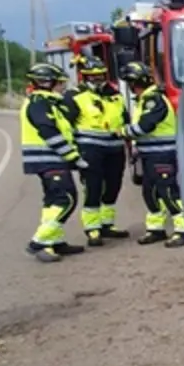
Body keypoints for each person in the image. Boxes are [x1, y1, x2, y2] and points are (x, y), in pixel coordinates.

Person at [20, 62, 88, 262]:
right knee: (66, 199)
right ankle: (39, 242)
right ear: (47, 83)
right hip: (49, 160)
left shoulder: (49, 102)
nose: (62, 87)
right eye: (60, 84)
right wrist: (73, 157)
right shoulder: (40, 103)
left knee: (52, 202)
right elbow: (48, 131)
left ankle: (54, 242)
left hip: (51, 160)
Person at [122, 62, 184, 247]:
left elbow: (145, 126)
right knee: (150, 193)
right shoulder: (144, 99)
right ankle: (155, 229)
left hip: (163, 154)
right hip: (149, 155)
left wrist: (123, 131)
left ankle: (183, 230)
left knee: (168, 192)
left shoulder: (154, 100)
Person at [66, 57, 130, 245]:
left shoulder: (115, 96)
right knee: (93, 188)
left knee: (113, 187)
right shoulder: (74, 96)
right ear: (84, 76)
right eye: (92, 76)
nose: (97, 79)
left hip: (115, 149)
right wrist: (72, 153)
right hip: (90, 149)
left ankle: (107, 224)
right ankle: (92, 228)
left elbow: (125, 120)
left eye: (100, 75)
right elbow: (65, 125)